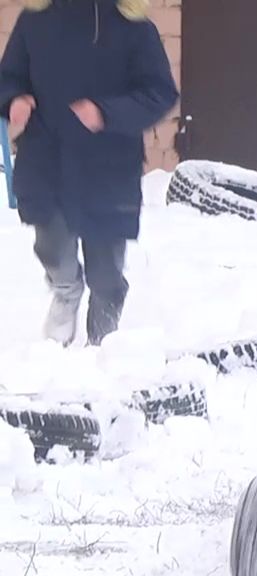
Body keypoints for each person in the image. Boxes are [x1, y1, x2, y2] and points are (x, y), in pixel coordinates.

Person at [0, 0, 180, 346]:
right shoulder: (35, 18)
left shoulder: (133, 24)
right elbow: (9, 76)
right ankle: (66, 290)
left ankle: (102, 345)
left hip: (108, 166)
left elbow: (159, 92)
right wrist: (15, 99)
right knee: (51, 245)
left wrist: (106, 113)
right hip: (47, 159)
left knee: (105, 272)